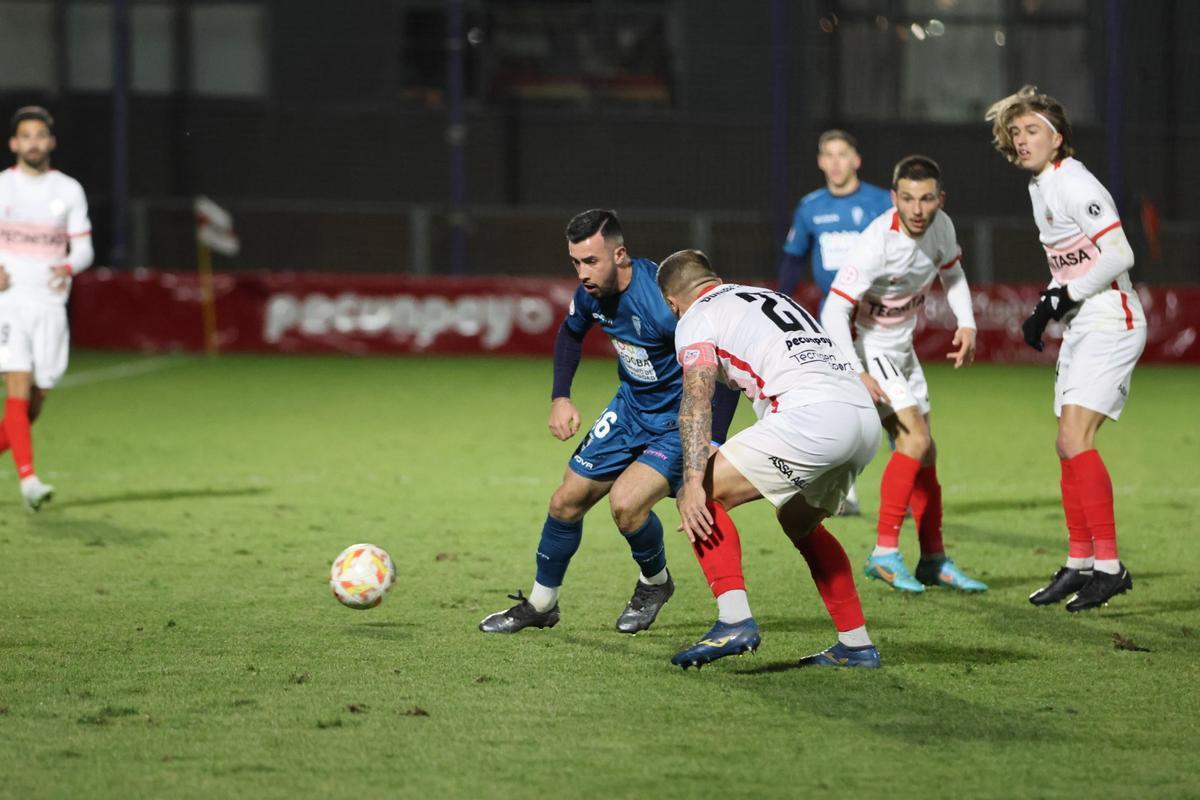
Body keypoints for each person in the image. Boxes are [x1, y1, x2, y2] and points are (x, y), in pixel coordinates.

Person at [480, 209, 736, 635]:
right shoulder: (590, 294)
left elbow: (724, 366)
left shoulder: (663, 301)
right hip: (629, 409)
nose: (582, 273)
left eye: (591, 261)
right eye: (576, 262)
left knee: (626, 505)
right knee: (565, 501)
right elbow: (569, 333)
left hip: (678, 421)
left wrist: (713, 438)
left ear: (620, 254)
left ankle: (654, 583)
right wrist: (560, 397)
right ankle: (542, 604)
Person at [658, 249, 882, 670]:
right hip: (862, 420)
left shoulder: (694, 318)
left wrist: (691, 479)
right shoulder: (767, 298)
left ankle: (733, 621)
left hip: (811, 417)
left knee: (700, 494)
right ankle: (855, 645)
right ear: (716, 278)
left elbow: (697, 395)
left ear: (673, 303)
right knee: (799, 521)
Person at [985, 86, 1145, 612]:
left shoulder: (1074, 182)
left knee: (1076, 439)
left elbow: (1119, 252)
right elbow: (1071, 264)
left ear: (1057, 137)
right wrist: (1050, 303)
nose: (1022, 139)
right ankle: (1079, 562)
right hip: (1084, 321)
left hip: (1111, 319)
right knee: (1065, 443)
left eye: (1033, 130)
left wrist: (1064, 296)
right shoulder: (1041, 186)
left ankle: (1109, 567)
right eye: (1016, 132)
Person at [820, 155, 988, 594]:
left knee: (926, 455)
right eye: (908, 199)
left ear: (939, 199)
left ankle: (933, 559)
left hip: (903, 352)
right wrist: (855, 370)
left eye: (927, 199)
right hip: (870, 348)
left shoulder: (942, 227)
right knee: (914, 439)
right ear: (894, 198)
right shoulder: (876, 244)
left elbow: (953, 274)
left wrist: (966, 322)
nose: (917, 209)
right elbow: (834, 308)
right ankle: (884, 553)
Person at [778, 129, 891, 516]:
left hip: (879, 317)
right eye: (829, 154)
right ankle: (847, 494)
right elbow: (793, 260)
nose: (837, 162)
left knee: (895, 402)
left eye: (843, 154)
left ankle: (904, 489)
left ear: (856, 160)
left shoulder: (880, 202)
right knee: (844, 403)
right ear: (821, 161)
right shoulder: (810, 207)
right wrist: (783, 304)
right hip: (835, 322)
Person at [0, 106, 93, 510]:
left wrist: (69, 265)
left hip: (51, 304)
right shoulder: (3, 186)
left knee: (33, 404)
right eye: (26, 135)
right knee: (16, 388)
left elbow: (86, 247)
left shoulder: (68, 190)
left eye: (41, 135)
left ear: (50, 142)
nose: (33, 142)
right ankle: (29, 481)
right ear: (14, 143)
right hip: (9, 301)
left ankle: (25, 470)